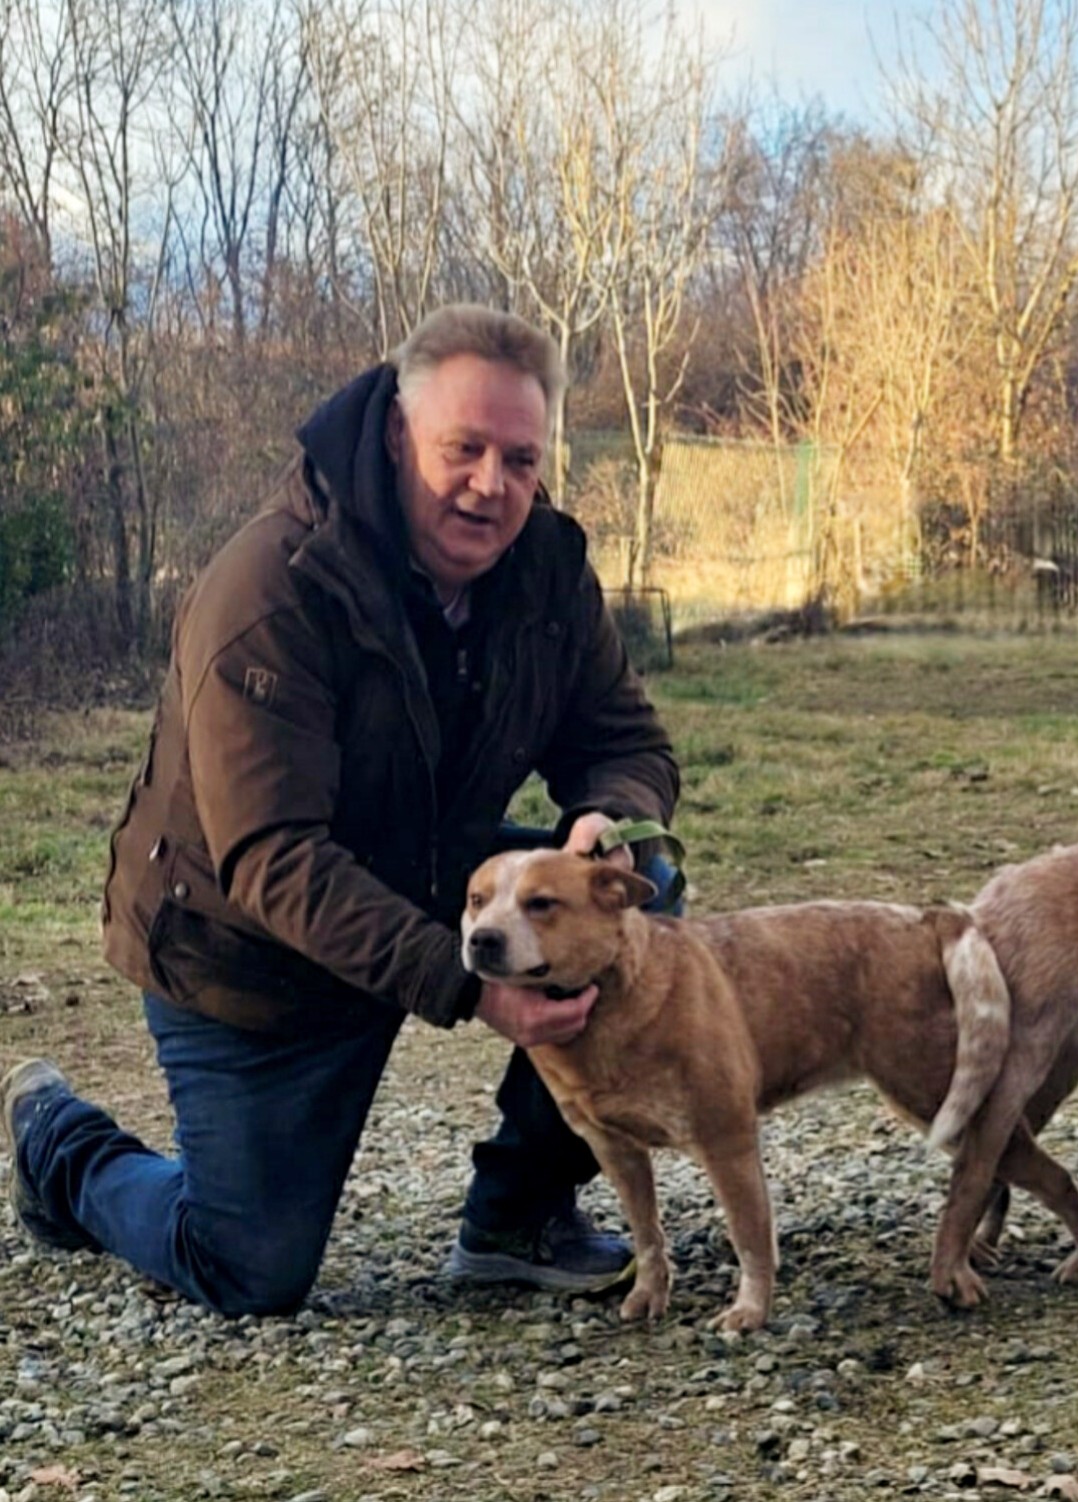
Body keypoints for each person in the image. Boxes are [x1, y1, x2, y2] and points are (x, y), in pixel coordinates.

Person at [1, 304, 681, 1317]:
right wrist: (465, 983)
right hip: (250, 950)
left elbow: (626, 741)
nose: (493, 485)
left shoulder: (545, 570)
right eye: (465, 448)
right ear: (401, 434)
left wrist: (607, 818)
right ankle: (57, 1140)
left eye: (522, 458)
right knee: (251, 1265)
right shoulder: (271, 587)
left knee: (643, 891)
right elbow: (273, 857)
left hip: (426, 876)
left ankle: (519, 1210)